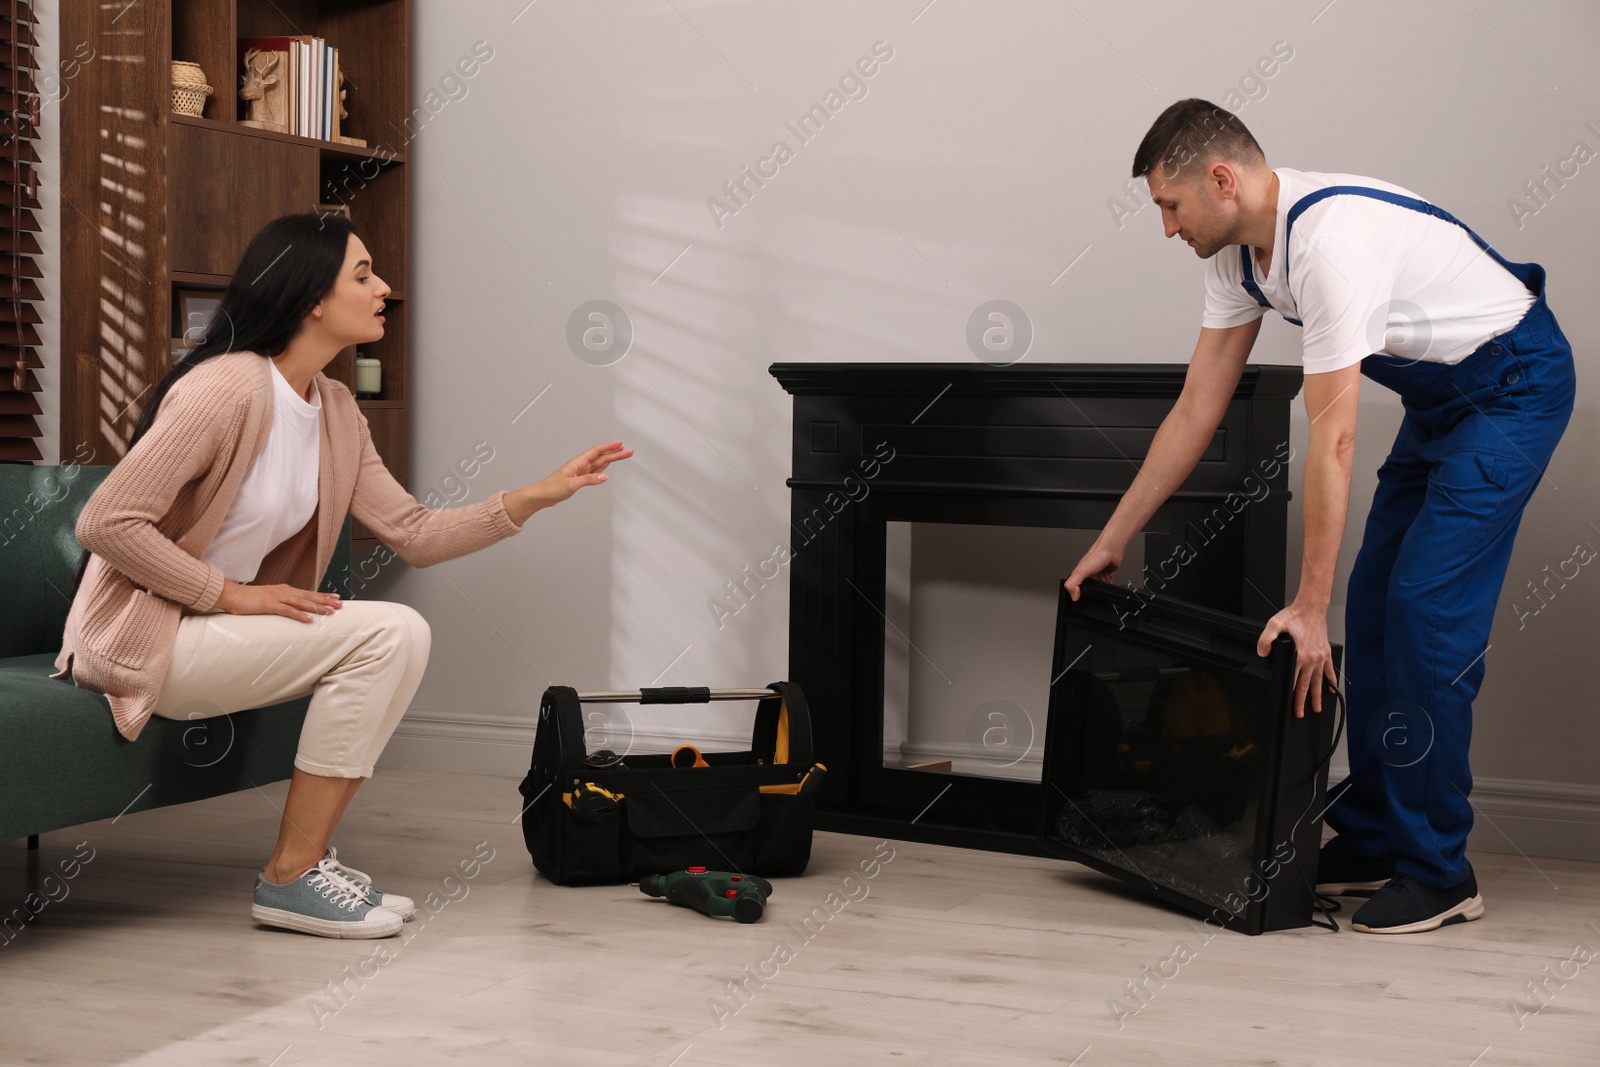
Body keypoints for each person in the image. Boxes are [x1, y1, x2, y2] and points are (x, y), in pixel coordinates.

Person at [1064, 100, 1574, 935]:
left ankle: (1440, 870)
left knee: (1424, 616)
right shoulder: (1238, 260)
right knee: (1373, 606)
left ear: (1222, 181)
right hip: (1443, 395)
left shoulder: (1332, 246)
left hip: (1515, 385)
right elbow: (1197, 408)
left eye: (1169, 204)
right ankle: (1374, 829)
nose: (1165, 227)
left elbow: (1332, 441)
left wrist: (1306, 606)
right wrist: (1112, 538)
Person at [52, 213, 633, 939]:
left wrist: (536, 495)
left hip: (218, 633)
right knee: (391, 631)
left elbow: (414, 533)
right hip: (144, 639)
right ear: (310, 299)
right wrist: (230, 594)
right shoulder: (226, 387)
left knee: (396, 634)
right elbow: (106, 522)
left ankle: (306, 863)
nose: (384, 287)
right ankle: (291, 876)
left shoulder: (334, 408)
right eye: (363, 273)